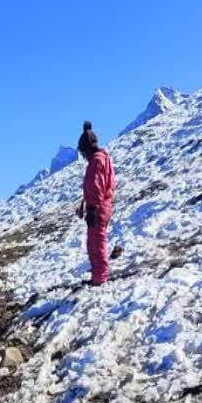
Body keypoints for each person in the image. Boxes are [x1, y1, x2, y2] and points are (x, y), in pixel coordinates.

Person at [75, 121, 116, 286]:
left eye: (83, 152)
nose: (83, 156)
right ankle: (98, 274)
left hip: (98, 208)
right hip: (103, 206)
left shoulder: (96, 162)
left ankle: (99, 277)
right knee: (95, 241)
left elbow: (96, 186)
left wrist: (91, 208)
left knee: (96, 243)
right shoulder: (103, 158)